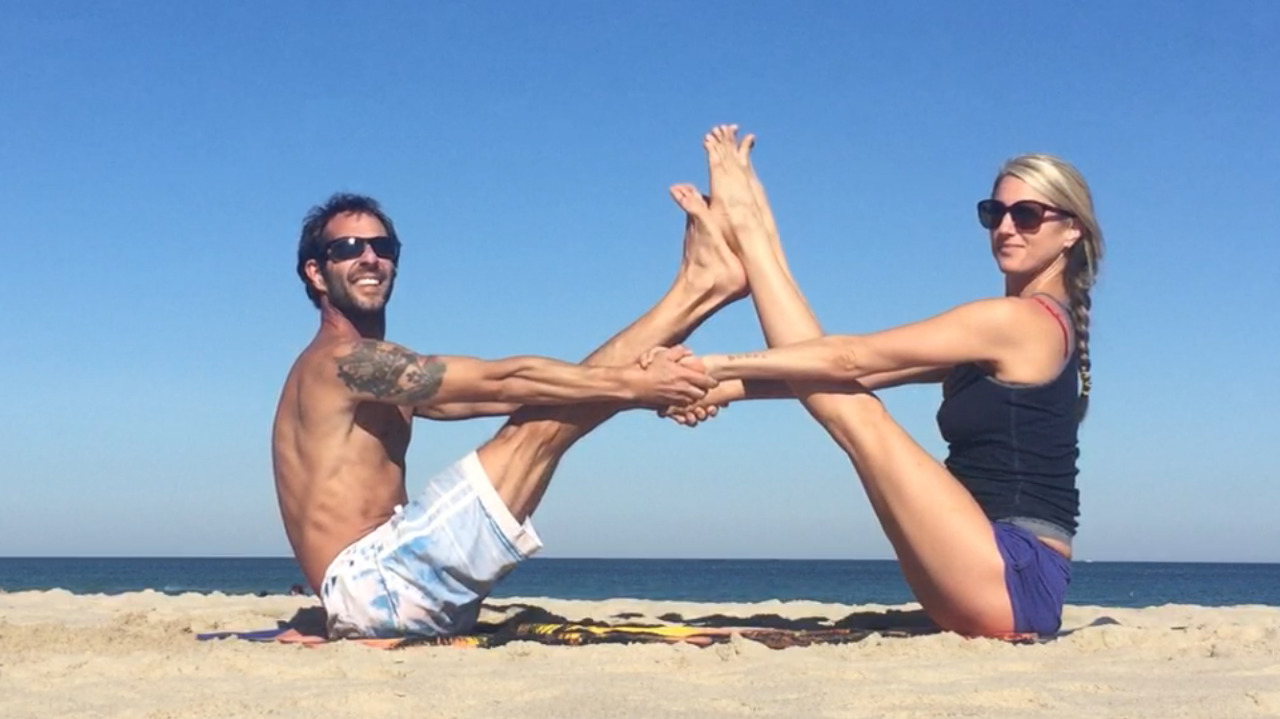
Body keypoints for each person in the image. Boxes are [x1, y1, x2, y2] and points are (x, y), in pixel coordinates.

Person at [664, 125, 1103, 637]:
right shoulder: (1011, 327)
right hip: (982, 566)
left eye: (1026, 215)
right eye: (994, 212)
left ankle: (748, 232)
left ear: (1072, 230)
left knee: (860, 414)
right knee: (842, 393)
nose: (1006, 227)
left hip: (1013, 577)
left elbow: (850, 358)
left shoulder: (1019, 322)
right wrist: (723, 389)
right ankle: (752, 234)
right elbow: (848, 371)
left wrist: (715, 364)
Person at [272, 188, 745, 638]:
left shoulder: (371, 376)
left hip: (384, 586)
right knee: (540, 429)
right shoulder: (343, 362)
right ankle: (697, 290)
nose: (370, 258)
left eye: (383, 246)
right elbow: (504, 379)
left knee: (550, 413)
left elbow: (511, 397)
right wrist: (638, 384)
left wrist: (645, 393)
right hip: (373, 587)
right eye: (349, 247)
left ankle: (701, 288)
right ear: (316, 273)